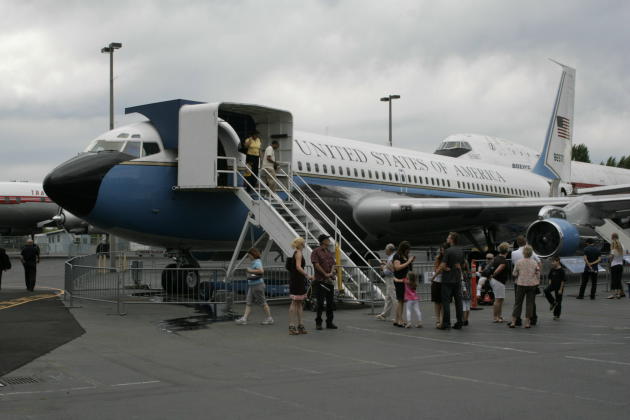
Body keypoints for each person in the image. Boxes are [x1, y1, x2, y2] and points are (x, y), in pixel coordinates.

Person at [235, 248, 274, 325]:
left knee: (263, 303)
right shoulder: (255, 262)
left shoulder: (257, 262)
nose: (249, 257)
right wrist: (250, 273)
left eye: (249, 255)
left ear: (253, 255)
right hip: (252, 285)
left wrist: (250, 271)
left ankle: (269, 318)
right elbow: (257, 273)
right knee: (248, 302)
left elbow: (261, 271)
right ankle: (244, 318)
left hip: (257, 285)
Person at [511, 236, 540, 326]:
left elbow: (514, 273)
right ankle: (527, 322)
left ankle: (514, 321)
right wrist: (537, 280)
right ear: (531, 253)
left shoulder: (519, 262)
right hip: (531, 284)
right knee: (530, 303)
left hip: (520, 283)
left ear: (524, 253)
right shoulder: (534, 262)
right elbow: (538, 272)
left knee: (518, 303)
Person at [311, 234, 337, 330]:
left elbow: (333, 263)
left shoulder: (329, 252)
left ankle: (329, 322)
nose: (329, 240)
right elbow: (316, 265)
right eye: (327, 239)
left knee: (330, 303)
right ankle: (318, 322)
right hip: (320, 280)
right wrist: (325, 274)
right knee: (320, 303)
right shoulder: (316, 252)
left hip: (329, 281)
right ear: (322, 241)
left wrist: (332, 272)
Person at [288, 237, 314, 335]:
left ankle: (300, 324)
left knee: (298, 302)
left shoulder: (296, 252)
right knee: (295, 302)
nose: (304, 245)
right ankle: (292, 325)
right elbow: (298, 267)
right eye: (303, 244)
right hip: (297, 280)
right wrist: (307, 275)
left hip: (297, 279)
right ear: (300, 244)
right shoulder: (298, 253)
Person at [440, 232, 464, 330]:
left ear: (452, 239)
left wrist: (445, 269)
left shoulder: (448, 251)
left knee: (446, 302)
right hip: (457, 278)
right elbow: (461, 264)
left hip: (447, 279)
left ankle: (446, 323)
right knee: (458, 302)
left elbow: (443, 265)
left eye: (448, 237)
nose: (447, 239)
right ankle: (459, 322)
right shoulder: (461, 251)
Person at [392, 241, 415, 328]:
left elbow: (407, 267)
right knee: (400, 300)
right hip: (399, 280)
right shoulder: (397, 256)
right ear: (404, 249)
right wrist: (408, 262)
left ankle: (397, 319)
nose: (408, 252)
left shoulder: (405, 256)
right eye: (407, 250)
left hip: (404, 280)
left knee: (401, 300)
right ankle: (400, 320)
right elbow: (397, 268)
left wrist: (410, 261)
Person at [488, 243, 509, 323]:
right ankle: (495, 317)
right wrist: (493, 275)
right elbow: (497, 270)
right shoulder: (503, 261)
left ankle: (499, 316)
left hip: (496, 281)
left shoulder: (496, 258)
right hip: (499, 281)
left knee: (500, 299)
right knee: (498, 299)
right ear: (507, 251)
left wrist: (490, 276)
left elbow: (490, 267)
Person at [376, 244, 398, 321]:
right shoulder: (393, 256)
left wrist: (383, 268)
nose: (385, 251)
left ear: (389, 250)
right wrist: (386, 265)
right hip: (392, 279)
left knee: (394, 298)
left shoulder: (391, 258)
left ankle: (398, 317)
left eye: (386, 249)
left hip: (391, 279)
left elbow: (390, 272)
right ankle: (384, 314)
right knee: (388, 297)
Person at [430, 244, 447, 328]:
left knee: (443, 302)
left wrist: (441, 269)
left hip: (444, 282)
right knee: (437, 302)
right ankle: (438, 319)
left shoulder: (448, 258)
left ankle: (442, 319)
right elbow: (436, 269)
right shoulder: (438, 258)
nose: (442, 251)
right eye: (441, 250)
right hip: (437, 282)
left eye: (443, 250)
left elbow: (440, 269)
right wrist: (442, 268)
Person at [607, 233, 625, 299]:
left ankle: (613, 294)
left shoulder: (613, 249)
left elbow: (611, 257)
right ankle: (618, 294)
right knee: (618, 280)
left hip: (614, 265)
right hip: (620, 265)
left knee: (613, 280)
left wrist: (609, 258)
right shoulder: (622, 247)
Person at [461, 260, 472, 326]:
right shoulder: (468, 272)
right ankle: (466, 319)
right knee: (468, 305)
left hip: (463, 289)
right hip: (469, 289)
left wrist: (464, 289)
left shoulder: (462, 273)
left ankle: (463, 320)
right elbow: (470, 282)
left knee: (463, 306)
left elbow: (462, 282)